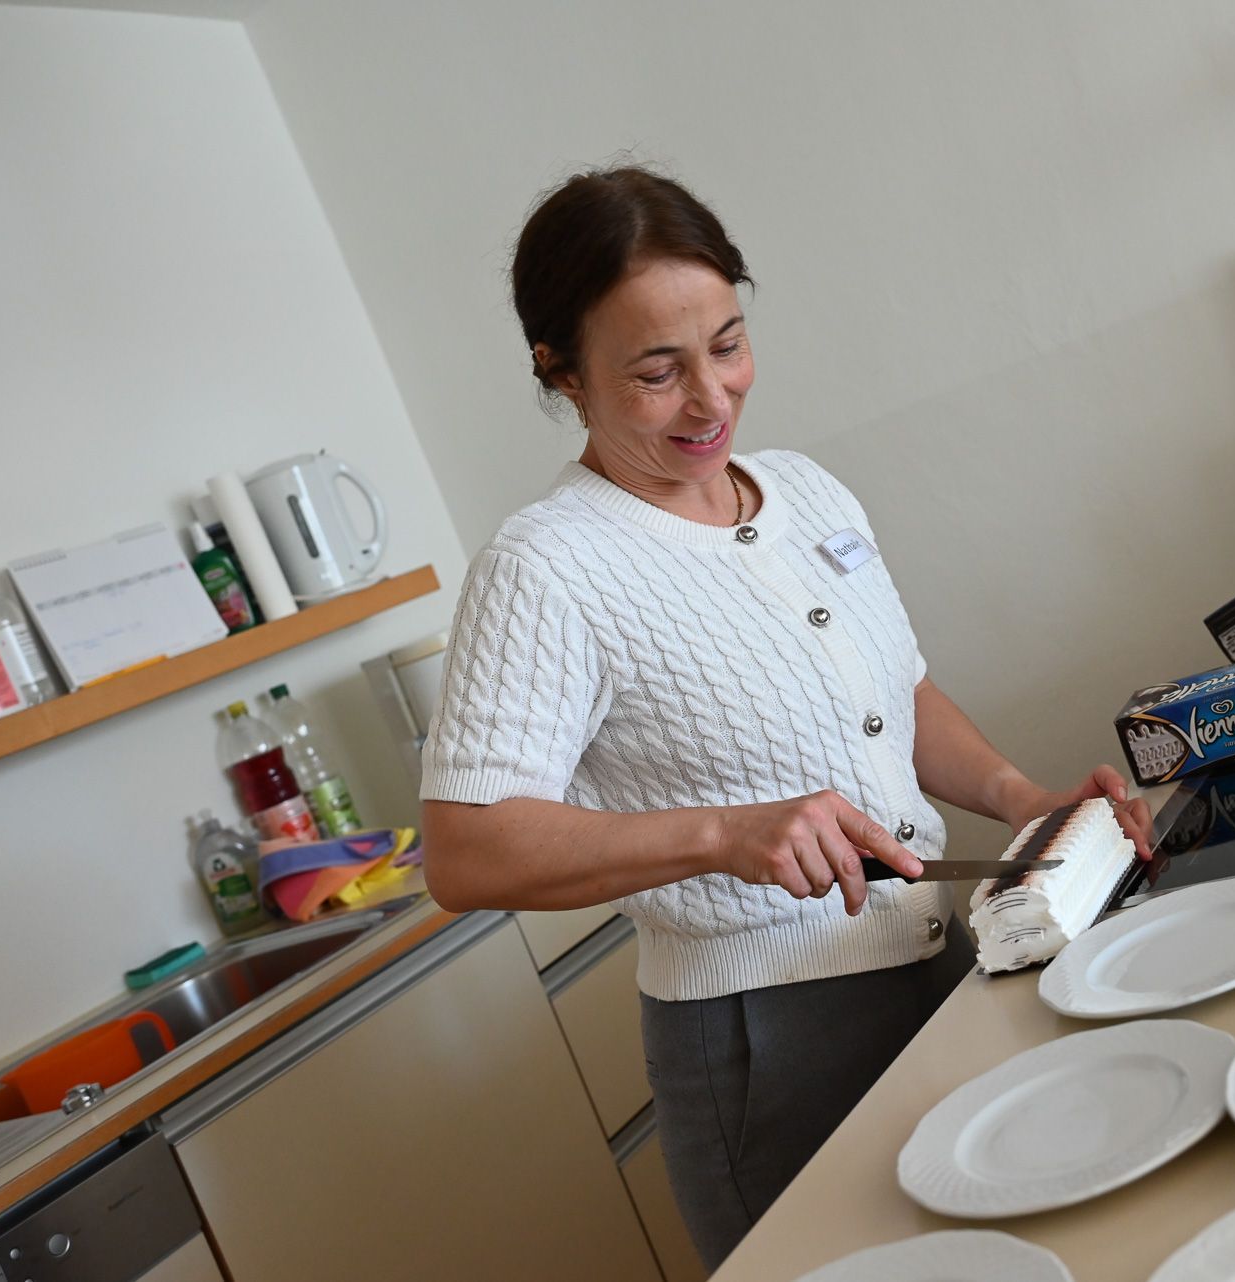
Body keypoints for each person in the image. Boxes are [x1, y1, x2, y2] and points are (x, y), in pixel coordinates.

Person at [418, 165, 1153, 1270]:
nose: (712, 399)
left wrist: (1022, 799)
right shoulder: (547, 565)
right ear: (560, 371)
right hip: (766, 1044)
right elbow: (468, 851)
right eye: (658, 372)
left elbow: (893, 692)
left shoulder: (803, 491)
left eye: (727, 343)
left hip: (941, 961)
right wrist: (722, 833)